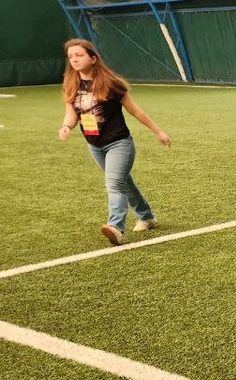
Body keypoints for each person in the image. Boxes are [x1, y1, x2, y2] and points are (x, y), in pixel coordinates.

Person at [58, 38, 170, 247]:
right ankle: (146, 216)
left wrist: (159, 132)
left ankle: (115, 227)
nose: (74, 59)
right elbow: (71, 114)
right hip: (94, 145)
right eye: (70, 56)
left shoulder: (111, 84)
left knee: (114, 184)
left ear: (93, 58)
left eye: (79, 55)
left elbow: (136, 111)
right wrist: (66, 126)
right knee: (123, 182)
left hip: (119, 143)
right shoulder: (71, 85)